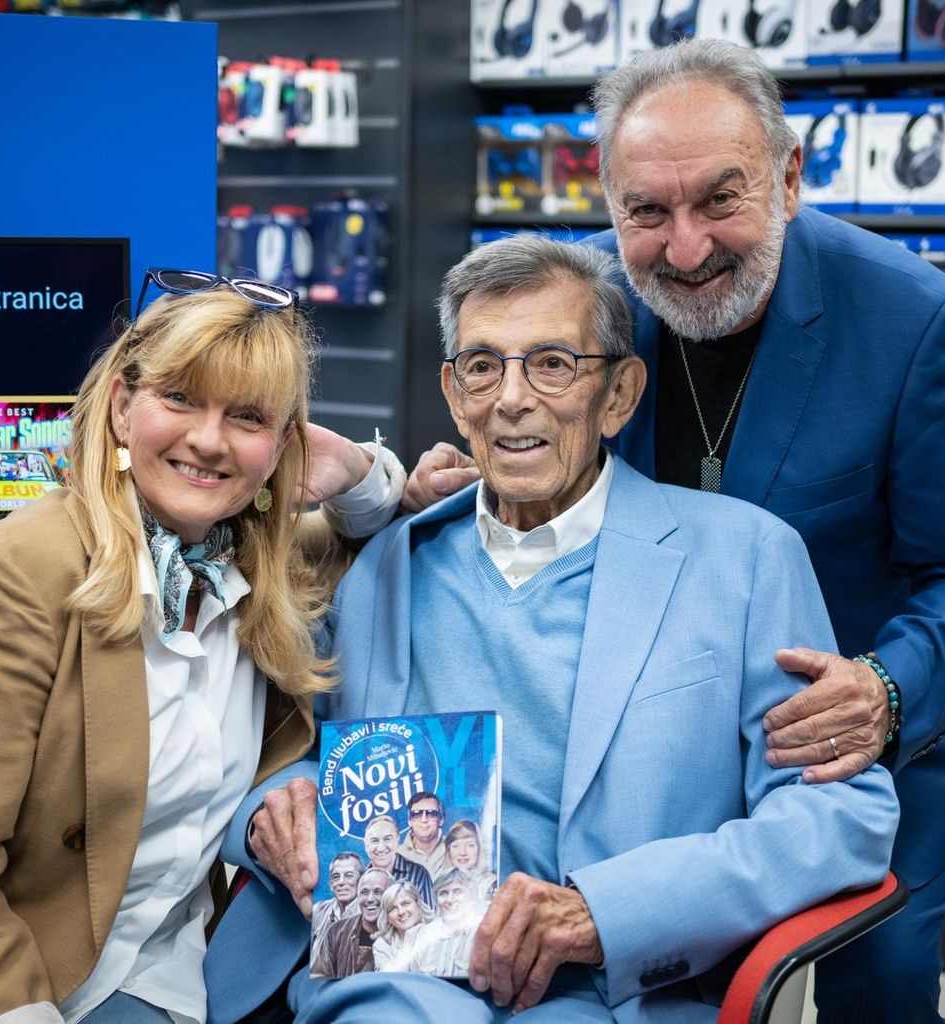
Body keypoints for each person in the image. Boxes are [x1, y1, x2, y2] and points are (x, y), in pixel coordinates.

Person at [402, 40, 945, 1023]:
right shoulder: (589, 300)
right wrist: (477, 472)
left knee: (884, 982)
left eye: (719, 201)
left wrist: (887, 687)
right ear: (608, 199)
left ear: (789, 177)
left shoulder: (913, 321)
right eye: (647, 211)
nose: (685, 249)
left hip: (851, 734)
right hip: (663, 732)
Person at [203, 235, 899, 1024]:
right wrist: (277, 808)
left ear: (619, 395)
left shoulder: (745, 560)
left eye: (552, 364)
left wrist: (607, 912)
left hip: (620, 990)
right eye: (483, 366)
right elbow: (290, 750)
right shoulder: (388, 564)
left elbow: (838, 816)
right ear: (455, 393)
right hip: (399, 977)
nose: (512, 398)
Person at [0, 271, 406, 1024]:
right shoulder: (15, 571)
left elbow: (371, 528)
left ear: (283, 446)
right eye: (179, 398)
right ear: (121, 407)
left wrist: (355, 470)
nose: (208, 439)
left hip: (147, 972)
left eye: (246, 417)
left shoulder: (259, 568)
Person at [398, 870, 484, 979]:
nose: (450, 900)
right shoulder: (421, 935)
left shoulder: (483, 931)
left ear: (472, 896)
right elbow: (409, 981)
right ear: (435, 899)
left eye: (457, 891)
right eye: (443, 893)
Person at [315, 868, 391, 980]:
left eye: (378, 892)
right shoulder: (336, 932)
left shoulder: (402, 933)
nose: (370, 899)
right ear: (358, 896)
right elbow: (319, 977)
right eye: (364, 892)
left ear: (391, 897)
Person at [363, 813, 433, 906]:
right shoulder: (361, 878)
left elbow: (429, 913)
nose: (381, 848)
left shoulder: (419, 874)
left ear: (397, 840)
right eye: (374, 841)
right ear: (366, 844)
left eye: (387, 839)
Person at [311, 853, 366, 963]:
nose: (341, 882)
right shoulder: (319, 911)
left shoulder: (370, 913)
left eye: (348, 875)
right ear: (330, 883)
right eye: (336, 877)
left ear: (362, 880)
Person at [371, 880, 431, 972]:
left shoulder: (436, 934)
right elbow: (393, 978)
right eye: (393, 909)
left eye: (405, 904)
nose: (401, 912)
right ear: (388, 918)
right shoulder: (382, 945)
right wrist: (408, 942)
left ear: (418, 904)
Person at [398, 791, 451, 878]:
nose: (424, 819)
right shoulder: (397, 856)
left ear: (441, 819)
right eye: (417, 814)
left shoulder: (453, 850)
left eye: (431, 814)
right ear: (409, 821)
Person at [444, 819, 497, 901]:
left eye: (470, 845)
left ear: (479, 848)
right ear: (448, 850)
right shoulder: (441, 883)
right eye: (456, 846)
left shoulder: (491, 884)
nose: (462, 852)